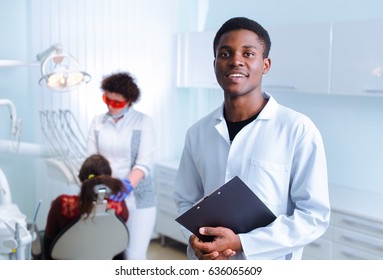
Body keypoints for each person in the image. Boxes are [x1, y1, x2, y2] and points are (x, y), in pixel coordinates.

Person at [174, 17, 330, 260]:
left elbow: (313, 217)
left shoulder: (297, 129)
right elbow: (186, 200)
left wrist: (243, 243)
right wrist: (196, 239)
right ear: (215, 64)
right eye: (225, 54)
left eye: (248, 53)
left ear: (265, 64)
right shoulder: (198, 132)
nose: (236, 60)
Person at [87, 72, 156, 260]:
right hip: (106, 195)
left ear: (129, 101)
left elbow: (143, 163)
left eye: (117, 103)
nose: (110, 105)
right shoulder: (98, 122)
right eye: (106, 99)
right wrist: (100, 187)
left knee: (133, 256)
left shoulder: (143, 122)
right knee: (108, 253)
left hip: (139, 198)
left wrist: (125, 187)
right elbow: (93, 160)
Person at [43, 154, 130, 260]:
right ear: (108, 180)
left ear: (81, 180)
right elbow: (119, 244)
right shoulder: (119, 206)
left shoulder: (63, 204)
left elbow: (48, 243)